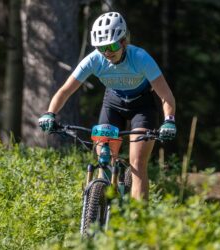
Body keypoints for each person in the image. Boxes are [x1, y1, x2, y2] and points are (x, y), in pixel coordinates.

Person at [38, 12, 176, 201]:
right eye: (101, 47)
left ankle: (139, 222)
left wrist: (169, 121)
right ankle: (99, 206)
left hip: (142, 106)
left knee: (137, 163)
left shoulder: (141, 58)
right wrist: (50, 113)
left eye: (111, 46)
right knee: (104, 157)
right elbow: (65, 90)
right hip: (113, 103)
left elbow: (166, 95)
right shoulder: (94, 60)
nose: (107, 52)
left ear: (124, 42)